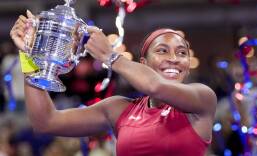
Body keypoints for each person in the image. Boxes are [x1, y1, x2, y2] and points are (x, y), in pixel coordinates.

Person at [10, 10, 217, 156]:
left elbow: (155, 86)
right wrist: (29, 55)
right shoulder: (119, 109)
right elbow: (45, 121)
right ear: (143, 63)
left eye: (182, 53)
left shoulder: (202, 98)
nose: (173, 58)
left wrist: (109, 56)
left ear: (188, 66)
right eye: (162, 50)